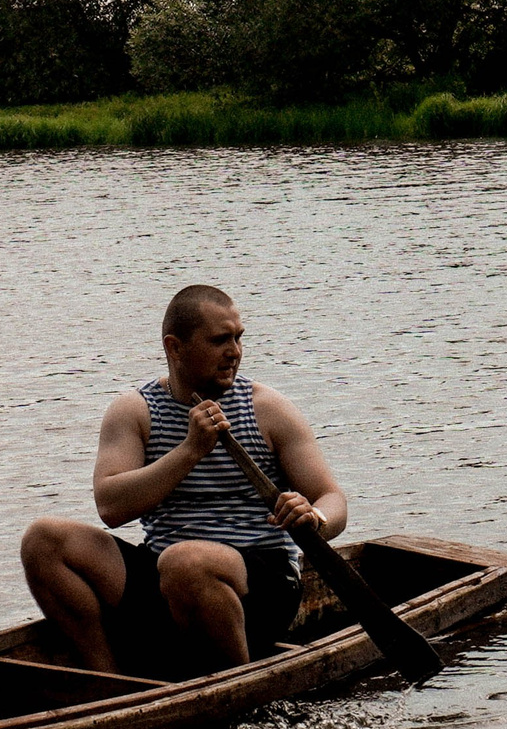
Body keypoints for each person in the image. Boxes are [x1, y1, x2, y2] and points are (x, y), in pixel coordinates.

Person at [19, 285, 349, 677]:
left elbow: (332, 498)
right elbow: (110, 507)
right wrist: (190, 451)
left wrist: (314, 517)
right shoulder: (136, 411)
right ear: (175, 348)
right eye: (219, 340)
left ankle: (234, 688)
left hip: (259, 583)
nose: (235, 352)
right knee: (43, 540)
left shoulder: (267, 409)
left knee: (187, 562)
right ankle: (106, 680)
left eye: (239, 338)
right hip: (165, 577)